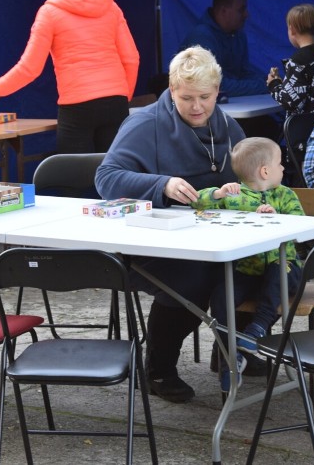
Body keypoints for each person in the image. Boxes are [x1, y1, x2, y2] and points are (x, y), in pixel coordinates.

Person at [95, 46, 246, 403]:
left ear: (217, 90)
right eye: (187, 98)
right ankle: (159, 368)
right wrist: (161, 185)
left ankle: (233, 350)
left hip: (213, 238)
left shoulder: (227, 125)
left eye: (206, 98)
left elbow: (253, 176)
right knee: (196, 278)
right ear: (171, 89)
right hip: (152, 245)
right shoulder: (145, 123)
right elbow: (106, 178)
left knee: (257, 266)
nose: (197, 107)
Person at [0, 0, 139, 154]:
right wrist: (124, 96)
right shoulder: (111, 7)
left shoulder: (49, 12)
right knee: (113, 176)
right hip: (115, 102)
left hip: (78, 106)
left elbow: (30, 67)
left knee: (73, 180)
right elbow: (131, 58)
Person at [190, 137, 304, 393]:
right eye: (280, 163)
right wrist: (217, 193)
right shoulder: (234, 196)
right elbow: (196, 203)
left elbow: (301, 225)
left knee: (278, 276)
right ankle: (231, 358)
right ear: (265, 171)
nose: (283, 168)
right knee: (222, 293)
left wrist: (278, 219)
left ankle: (256, 330)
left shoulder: (285, 195)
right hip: (247, 269)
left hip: (284, 267)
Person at [178, 0, 268, 98]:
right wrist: (265, 86)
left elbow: (244, 73)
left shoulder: (239, 35)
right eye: (241, 10)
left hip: (232, 106)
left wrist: (270, 80)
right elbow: (213, 85)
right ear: (224, 11)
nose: (246, 15)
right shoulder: (201, 37)